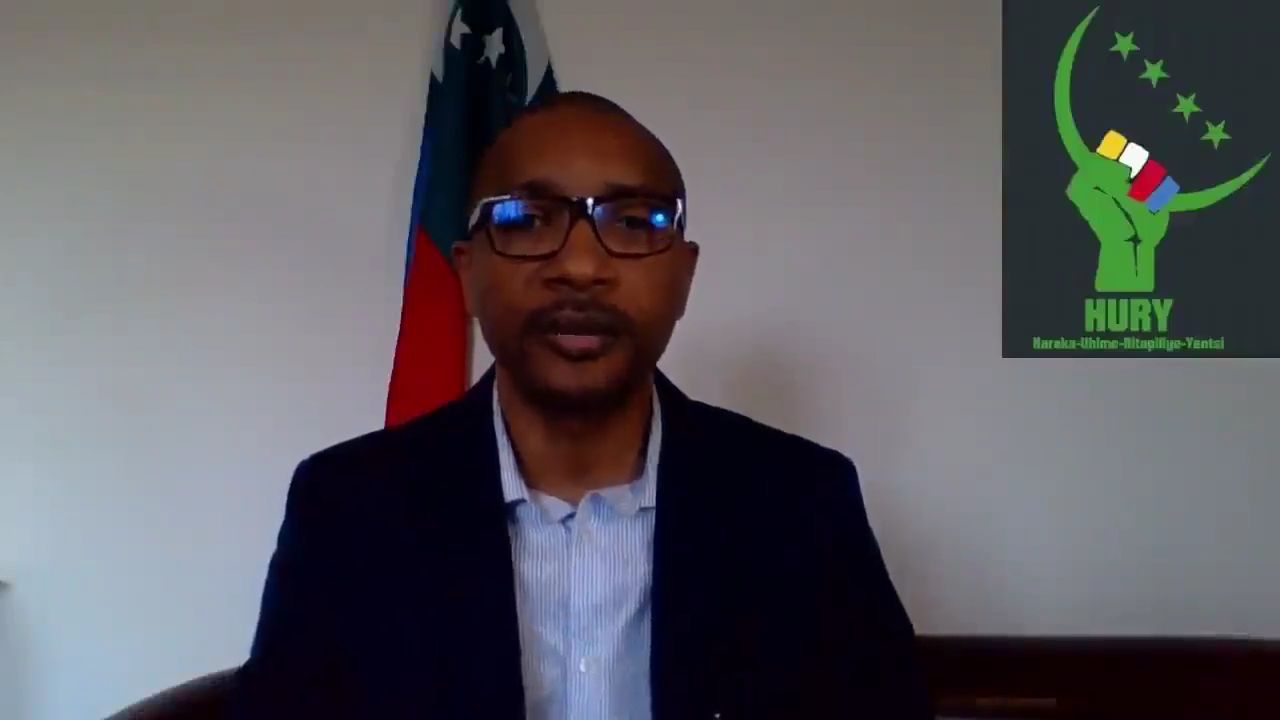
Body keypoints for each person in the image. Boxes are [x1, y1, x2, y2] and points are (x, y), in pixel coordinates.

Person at [231, 90, 931, 719]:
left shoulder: (801, 502)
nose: (581, 266)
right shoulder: (348, 508)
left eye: (633, 221)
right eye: (528, 219)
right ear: (467, 273)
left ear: (684, 277)